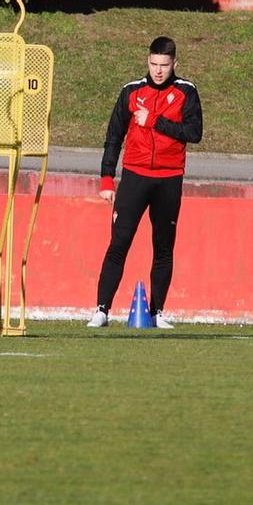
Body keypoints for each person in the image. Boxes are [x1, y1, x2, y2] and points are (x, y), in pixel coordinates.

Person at [88, 36, 203, 330]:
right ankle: (101, 310)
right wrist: (106, 178)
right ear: (147, 62)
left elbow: (194, 132)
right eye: (154, 64)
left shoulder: (186, 92)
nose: (159, 71)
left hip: (169, 179)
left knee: (163, 247)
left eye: (164, 65)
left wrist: (153, 120)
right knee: (119, 242)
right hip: (135, 177)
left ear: (174, 63)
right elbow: (113, 137)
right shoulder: (131, 91)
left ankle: (157, 312)